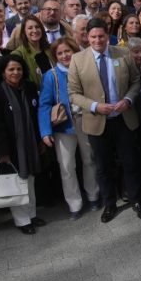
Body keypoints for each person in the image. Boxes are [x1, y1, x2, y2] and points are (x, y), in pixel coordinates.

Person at [67, 18, 141, 223]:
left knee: (130, 163)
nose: (97, 40)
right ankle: (109, 203)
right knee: (103, 166)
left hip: (123, 119)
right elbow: (74, 94)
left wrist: (128, 99)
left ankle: (136, 200)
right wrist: (95, 106)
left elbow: (136, 81)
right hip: (97, 121)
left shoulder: (122, 54)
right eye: (93, 36)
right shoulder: (78, 59)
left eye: (101, 36)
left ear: (107, 35)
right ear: (87, 36)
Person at [38, 37, 99, 220]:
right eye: (60, 53)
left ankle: (93, 195)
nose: (65, 55)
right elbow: (44, 105)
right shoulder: (52, 75)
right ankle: (74, 203)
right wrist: (45, 131)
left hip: (85, 121)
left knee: (89, 160)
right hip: (63, 126)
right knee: (66, 166)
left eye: (68, 51)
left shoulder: (85, 69)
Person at [0, 54, 45, 234]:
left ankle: (32, 214)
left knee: (30, 180)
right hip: (11, 147)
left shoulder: (29, 88)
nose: (16, 72)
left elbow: (36, 117)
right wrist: (2, 151)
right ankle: (22, 221)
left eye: (19, 69)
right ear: (3, 72)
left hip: (30, 143)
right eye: (11, 69)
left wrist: (39, 140)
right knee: (18, 181)